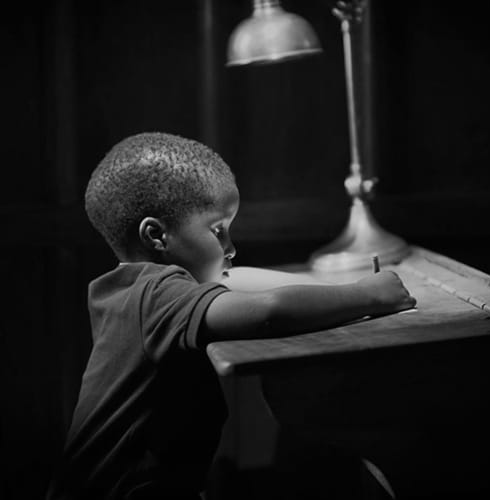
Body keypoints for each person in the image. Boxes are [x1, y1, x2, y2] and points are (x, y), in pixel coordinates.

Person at [46, 132, 416, 500]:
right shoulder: (157, 294)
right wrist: (368, 295)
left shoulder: (128, 290)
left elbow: (236, 279)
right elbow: (268, 312)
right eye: (218, 231)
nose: (231, 248)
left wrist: (332, 282)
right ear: (157, 236)